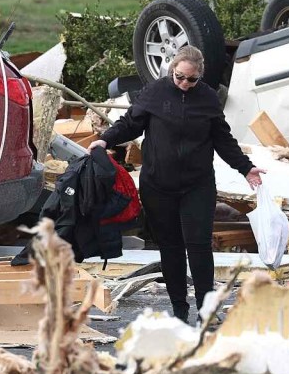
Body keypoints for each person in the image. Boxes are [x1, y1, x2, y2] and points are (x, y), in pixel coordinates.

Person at [90, 46, 265, 322]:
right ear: (172, 70)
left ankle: (206, 309)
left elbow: (223, 139)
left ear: (200, 77)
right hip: (158, 185)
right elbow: (130, 123)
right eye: (179, 77)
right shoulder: (155, 92)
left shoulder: (208, 98)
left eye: (190, 80)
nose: (184, 83)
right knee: (170, 247)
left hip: (197, 184)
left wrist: (246, 168)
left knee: (199, 246)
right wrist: (106, 139)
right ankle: (179, 309)